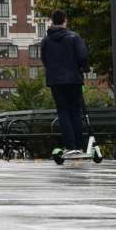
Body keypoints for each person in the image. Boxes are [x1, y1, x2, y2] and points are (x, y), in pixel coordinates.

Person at [40, 9, 91, 156]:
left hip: (55, 81)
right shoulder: (74, 37)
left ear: (52, 21)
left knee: (63, 112)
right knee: (75, 111)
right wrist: (85, 68)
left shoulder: (46, 40)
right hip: (74, 79)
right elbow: (82, 56)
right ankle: (79, 146)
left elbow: (44, 60)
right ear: (64, 20)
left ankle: (69, 146)